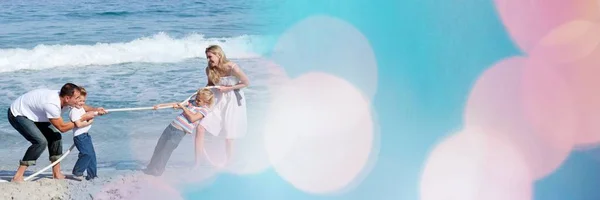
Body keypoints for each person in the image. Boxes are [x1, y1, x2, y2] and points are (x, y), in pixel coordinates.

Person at [7, 83, 106, 182]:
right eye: (76, 98)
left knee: (56, 137)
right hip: (18, 114)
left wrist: (95, 110)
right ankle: (18, 176)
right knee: (40, 142)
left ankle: (56, 174)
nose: (78, 101)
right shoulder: (52, 105)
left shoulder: (66, 99)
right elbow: (62, 128)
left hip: (36, 114)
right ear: (67, 98)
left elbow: (81, 105)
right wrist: (83, 118)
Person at [143, 88, 215, 176]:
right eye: (196, 98)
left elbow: (193, 118)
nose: (196, 101)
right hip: (171, 127)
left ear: (206, 102)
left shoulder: (204, 110)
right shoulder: (191, 102)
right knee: (159, 147)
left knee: (166, 151)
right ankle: (150, 168)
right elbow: (176, 104)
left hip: (179, 132)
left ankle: (158, 171)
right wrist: (160, 105)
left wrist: (183, 108)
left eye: (199, 100)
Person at [197, 45, 249, 166]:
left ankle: (229, 163)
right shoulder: (209, 69)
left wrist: (228, 88)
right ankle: (197, 162)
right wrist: (198, 97)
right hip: (217, 100)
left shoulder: (232, 67)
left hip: (233, 101)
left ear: (218, 55)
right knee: (200, 127)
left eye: (210, 57)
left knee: (229, 134)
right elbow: (209, 86)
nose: (209, 60)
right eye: (207, 58)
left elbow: (246, 83)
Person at [69, 87, 98, 181]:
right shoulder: (73, 111)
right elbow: (79, 124)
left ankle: (92, 175)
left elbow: (89, 112)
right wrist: (90, 122)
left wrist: (97, 111)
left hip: (86, 135)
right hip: (79, 137)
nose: (81, 103)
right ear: (74, 99)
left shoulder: (81, 108)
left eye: (83, 101)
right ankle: (77, 172)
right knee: (86, 154)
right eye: (79, 100)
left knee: (92, 155)